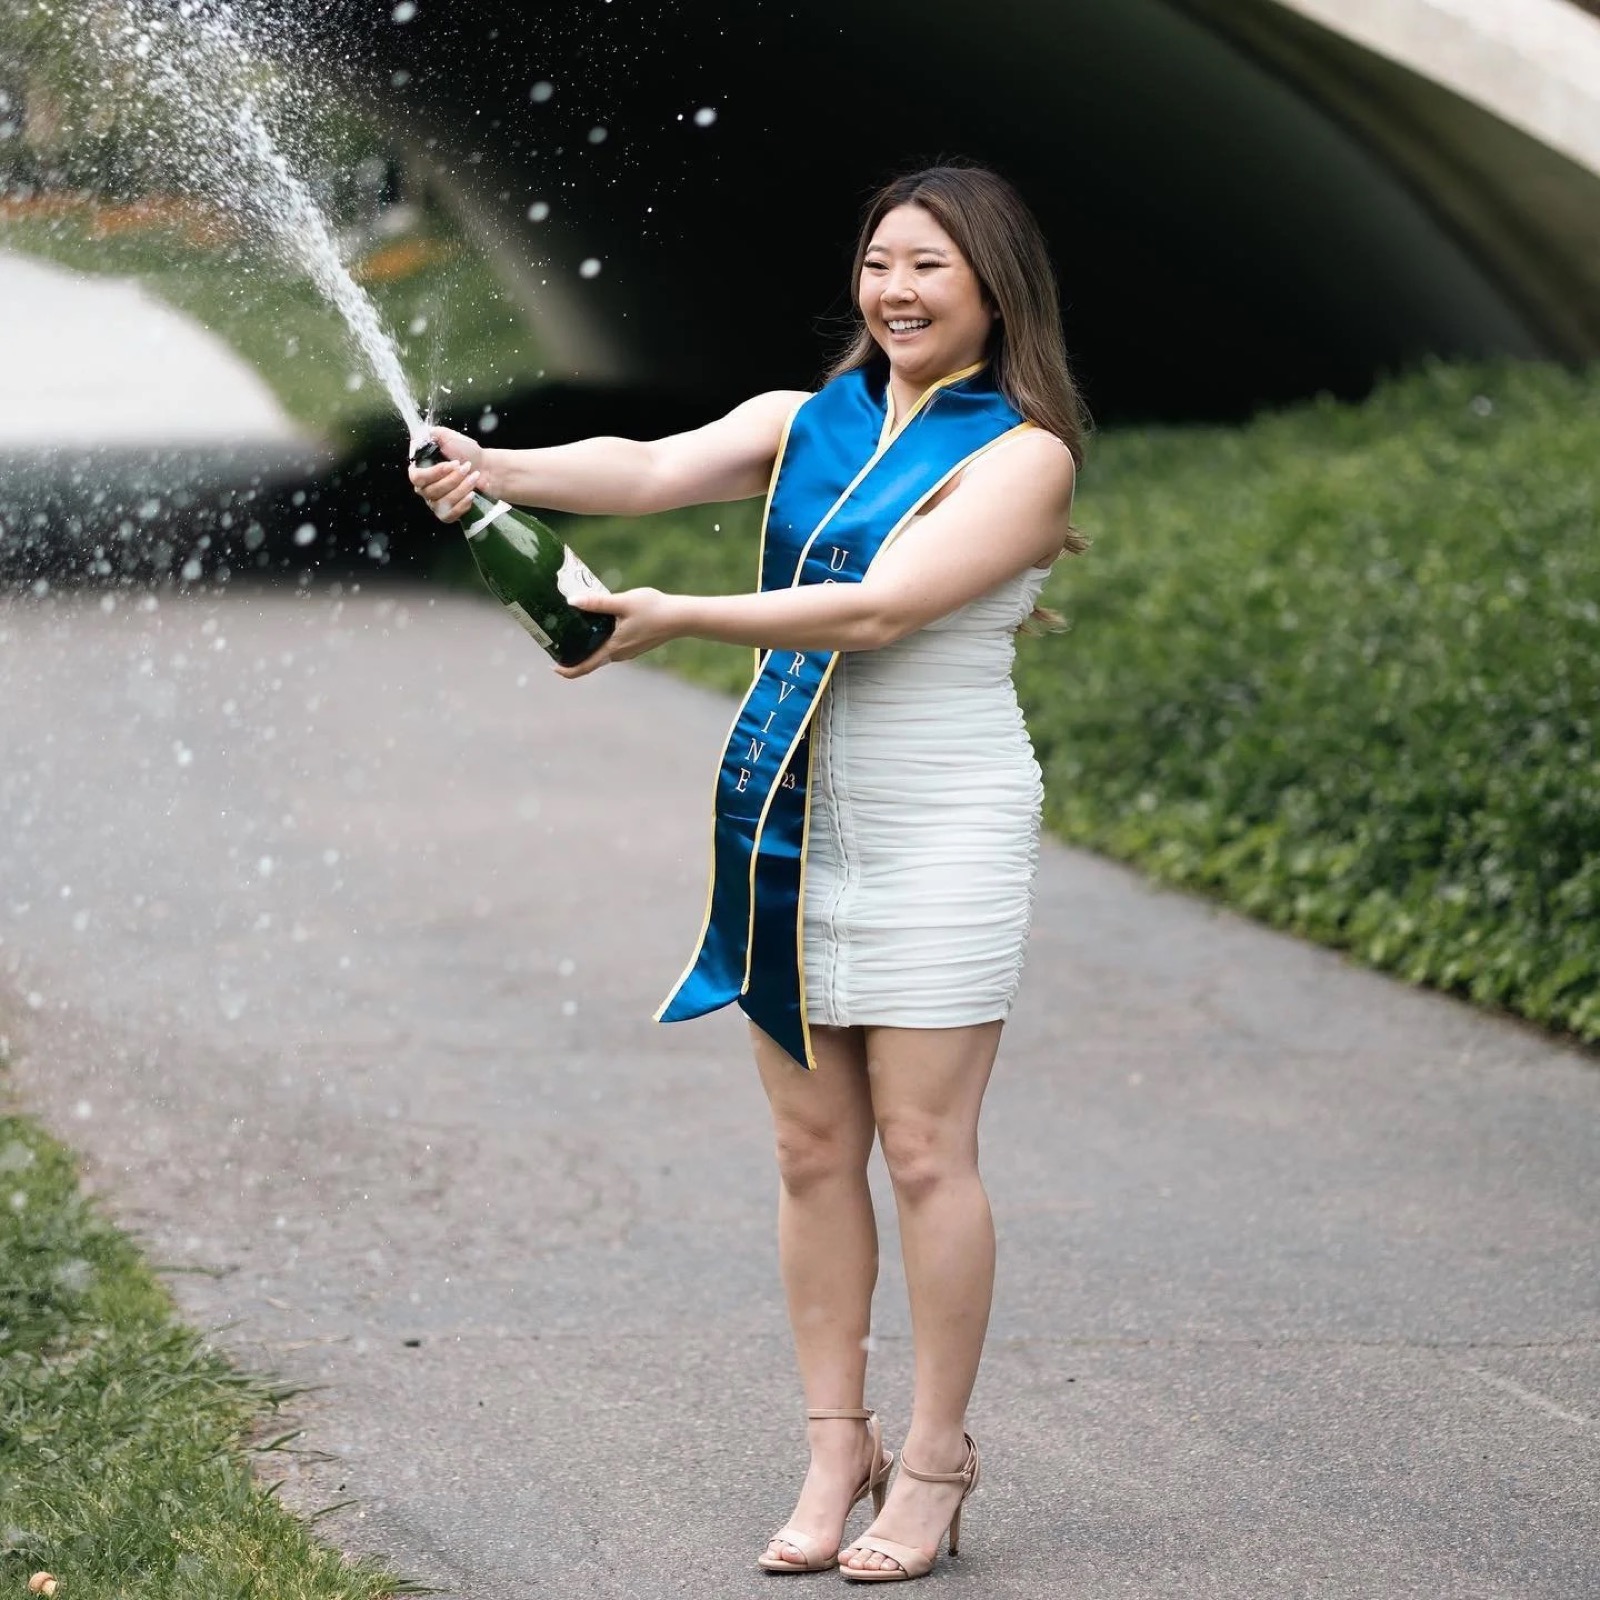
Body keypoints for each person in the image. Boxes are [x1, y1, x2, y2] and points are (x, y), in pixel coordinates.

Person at [410, 163, 1088, 1583]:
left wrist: (676, 617)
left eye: (932, 269)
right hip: (798, 814)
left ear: (993, 289)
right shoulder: (803, 424)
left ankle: (940, 1459)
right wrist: (496, 472)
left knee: (923, 1151)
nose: (897, 291)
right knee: (809, 1152)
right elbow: (653, 470)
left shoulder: (1023, 455)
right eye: (880, 261)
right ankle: (836, 1442)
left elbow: (885, 608)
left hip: (942, 821)